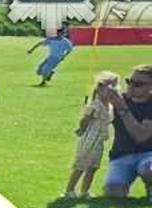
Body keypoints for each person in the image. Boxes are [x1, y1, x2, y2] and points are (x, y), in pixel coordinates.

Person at [98, 64, 152, 200]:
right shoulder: (118, 100)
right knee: (113, 193)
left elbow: (141, 136)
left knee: (149, 171)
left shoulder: (120, 103)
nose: (131, 86)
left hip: (149, 154)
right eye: (129, 81)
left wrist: (121, 107)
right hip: (122, 156)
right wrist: (99, 99)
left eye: (138, 84)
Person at [63, 71, 120, 199]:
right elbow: (84, 120)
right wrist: (81, 129)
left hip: (99, 140)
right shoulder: (95, 105)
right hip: (90, 139)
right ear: (100, 89)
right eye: (111, 87)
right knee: (81, 165)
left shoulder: (109, 106)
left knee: (93, 167)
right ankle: (69, 190)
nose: (114, 90)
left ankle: (84, 191)